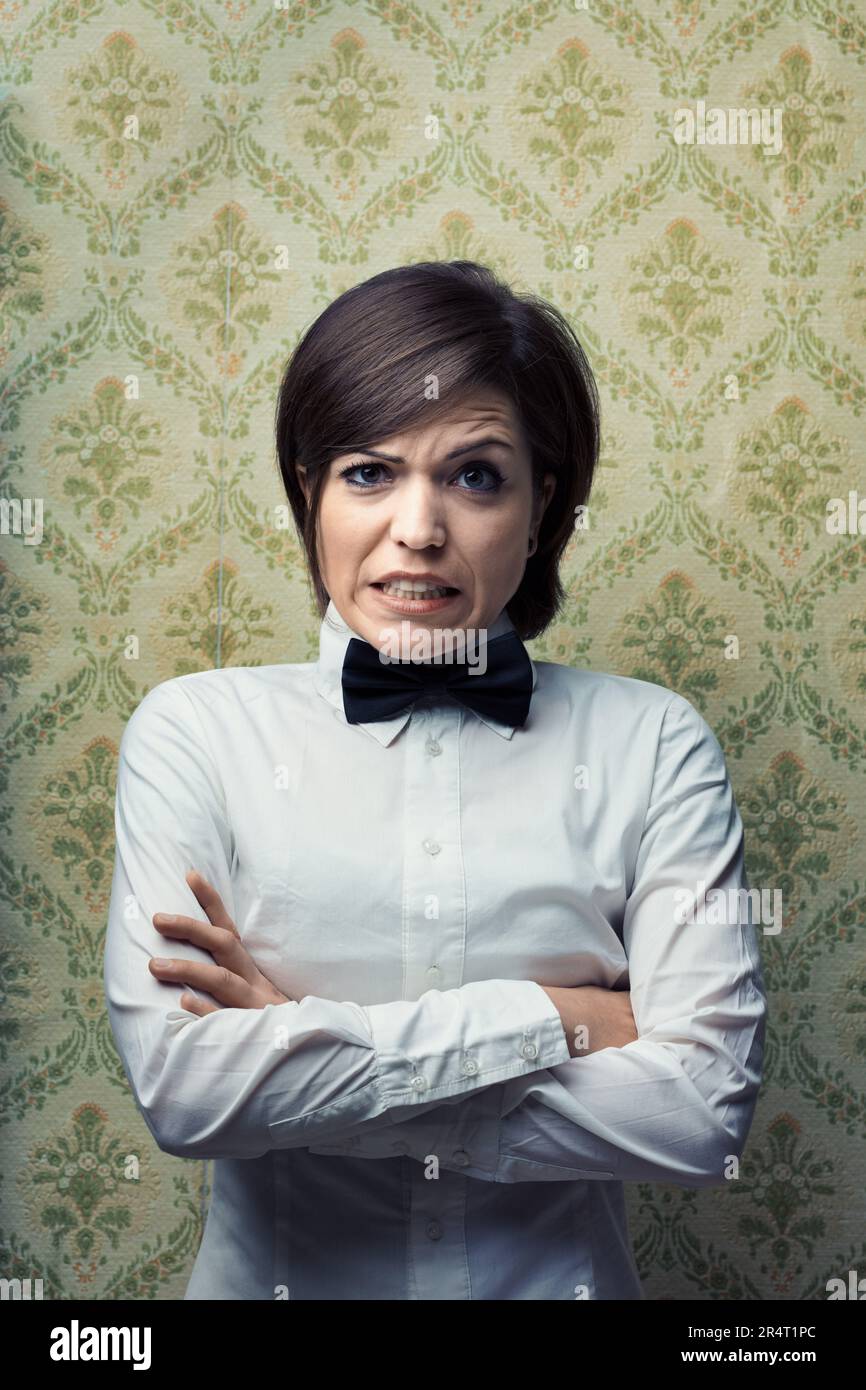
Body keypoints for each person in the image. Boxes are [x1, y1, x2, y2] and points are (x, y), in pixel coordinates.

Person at [103, 260, 767, 1301]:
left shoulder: (652, 742)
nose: (417, 528)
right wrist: (561, 1015)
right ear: (307, 488)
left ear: (542, 505)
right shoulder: (195, 733)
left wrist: (304, 1050)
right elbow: (187, 1097)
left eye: (474, 475)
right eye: (370, 471)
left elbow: (696, 1115)